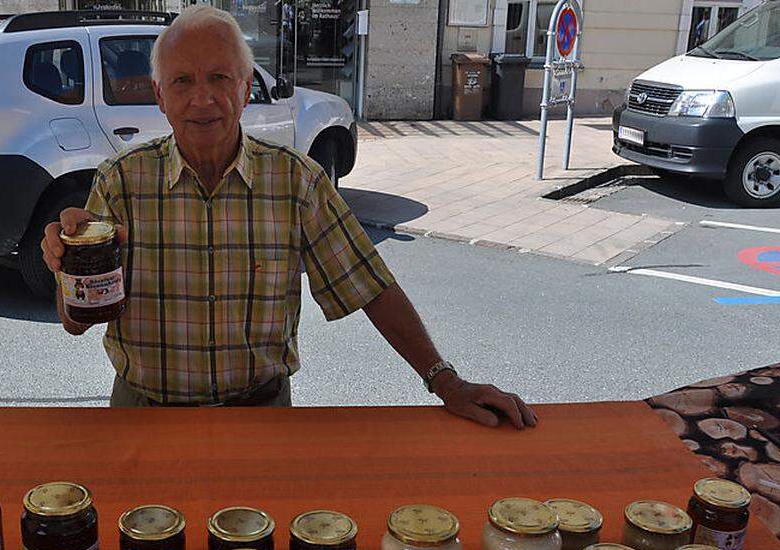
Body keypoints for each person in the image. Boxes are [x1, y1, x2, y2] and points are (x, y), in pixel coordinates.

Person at [43, 5, 536, 429]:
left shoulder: (296, 182)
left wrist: (447, 383)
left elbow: (370, 286)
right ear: (160, 96)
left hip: (263, 420)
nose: (203, 98)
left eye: (220, 77)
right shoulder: (121, 181)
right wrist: (68, 270)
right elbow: (76, 322)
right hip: (142, 418)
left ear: (244, 87)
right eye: (183, 81)